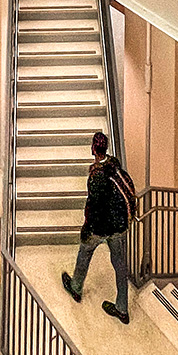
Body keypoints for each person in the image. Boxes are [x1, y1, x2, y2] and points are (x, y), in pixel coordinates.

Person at [61, 132, 137, 325]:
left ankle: (76, 287)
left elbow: (94, 206)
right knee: (120, 265)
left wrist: (88, 227)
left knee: (84, 252)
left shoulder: (96, 177)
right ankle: (122, 308)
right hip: (119, 227)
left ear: (93, 149)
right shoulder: (116, 167)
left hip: (100, 227)